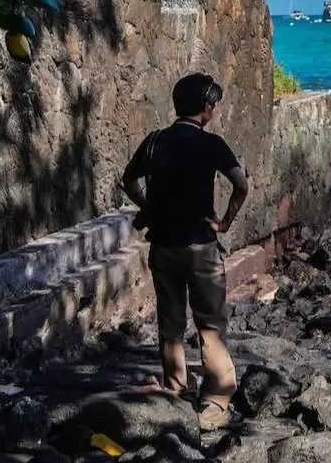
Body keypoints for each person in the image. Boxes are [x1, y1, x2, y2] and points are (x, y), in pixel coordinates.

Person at [120, 73, 249, 430]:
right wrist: (223, 223)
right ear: (206, 107)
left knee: (171, 322)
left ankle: (175, 388)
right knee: (210, 322)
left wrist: (149, 207)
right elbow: (240, 184)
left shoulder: (155, 141)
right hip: (200, 246)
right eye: (214, 104)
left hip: (163, 246)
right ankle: (217, 400)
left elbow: (128, 181)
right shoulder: (211, 144)